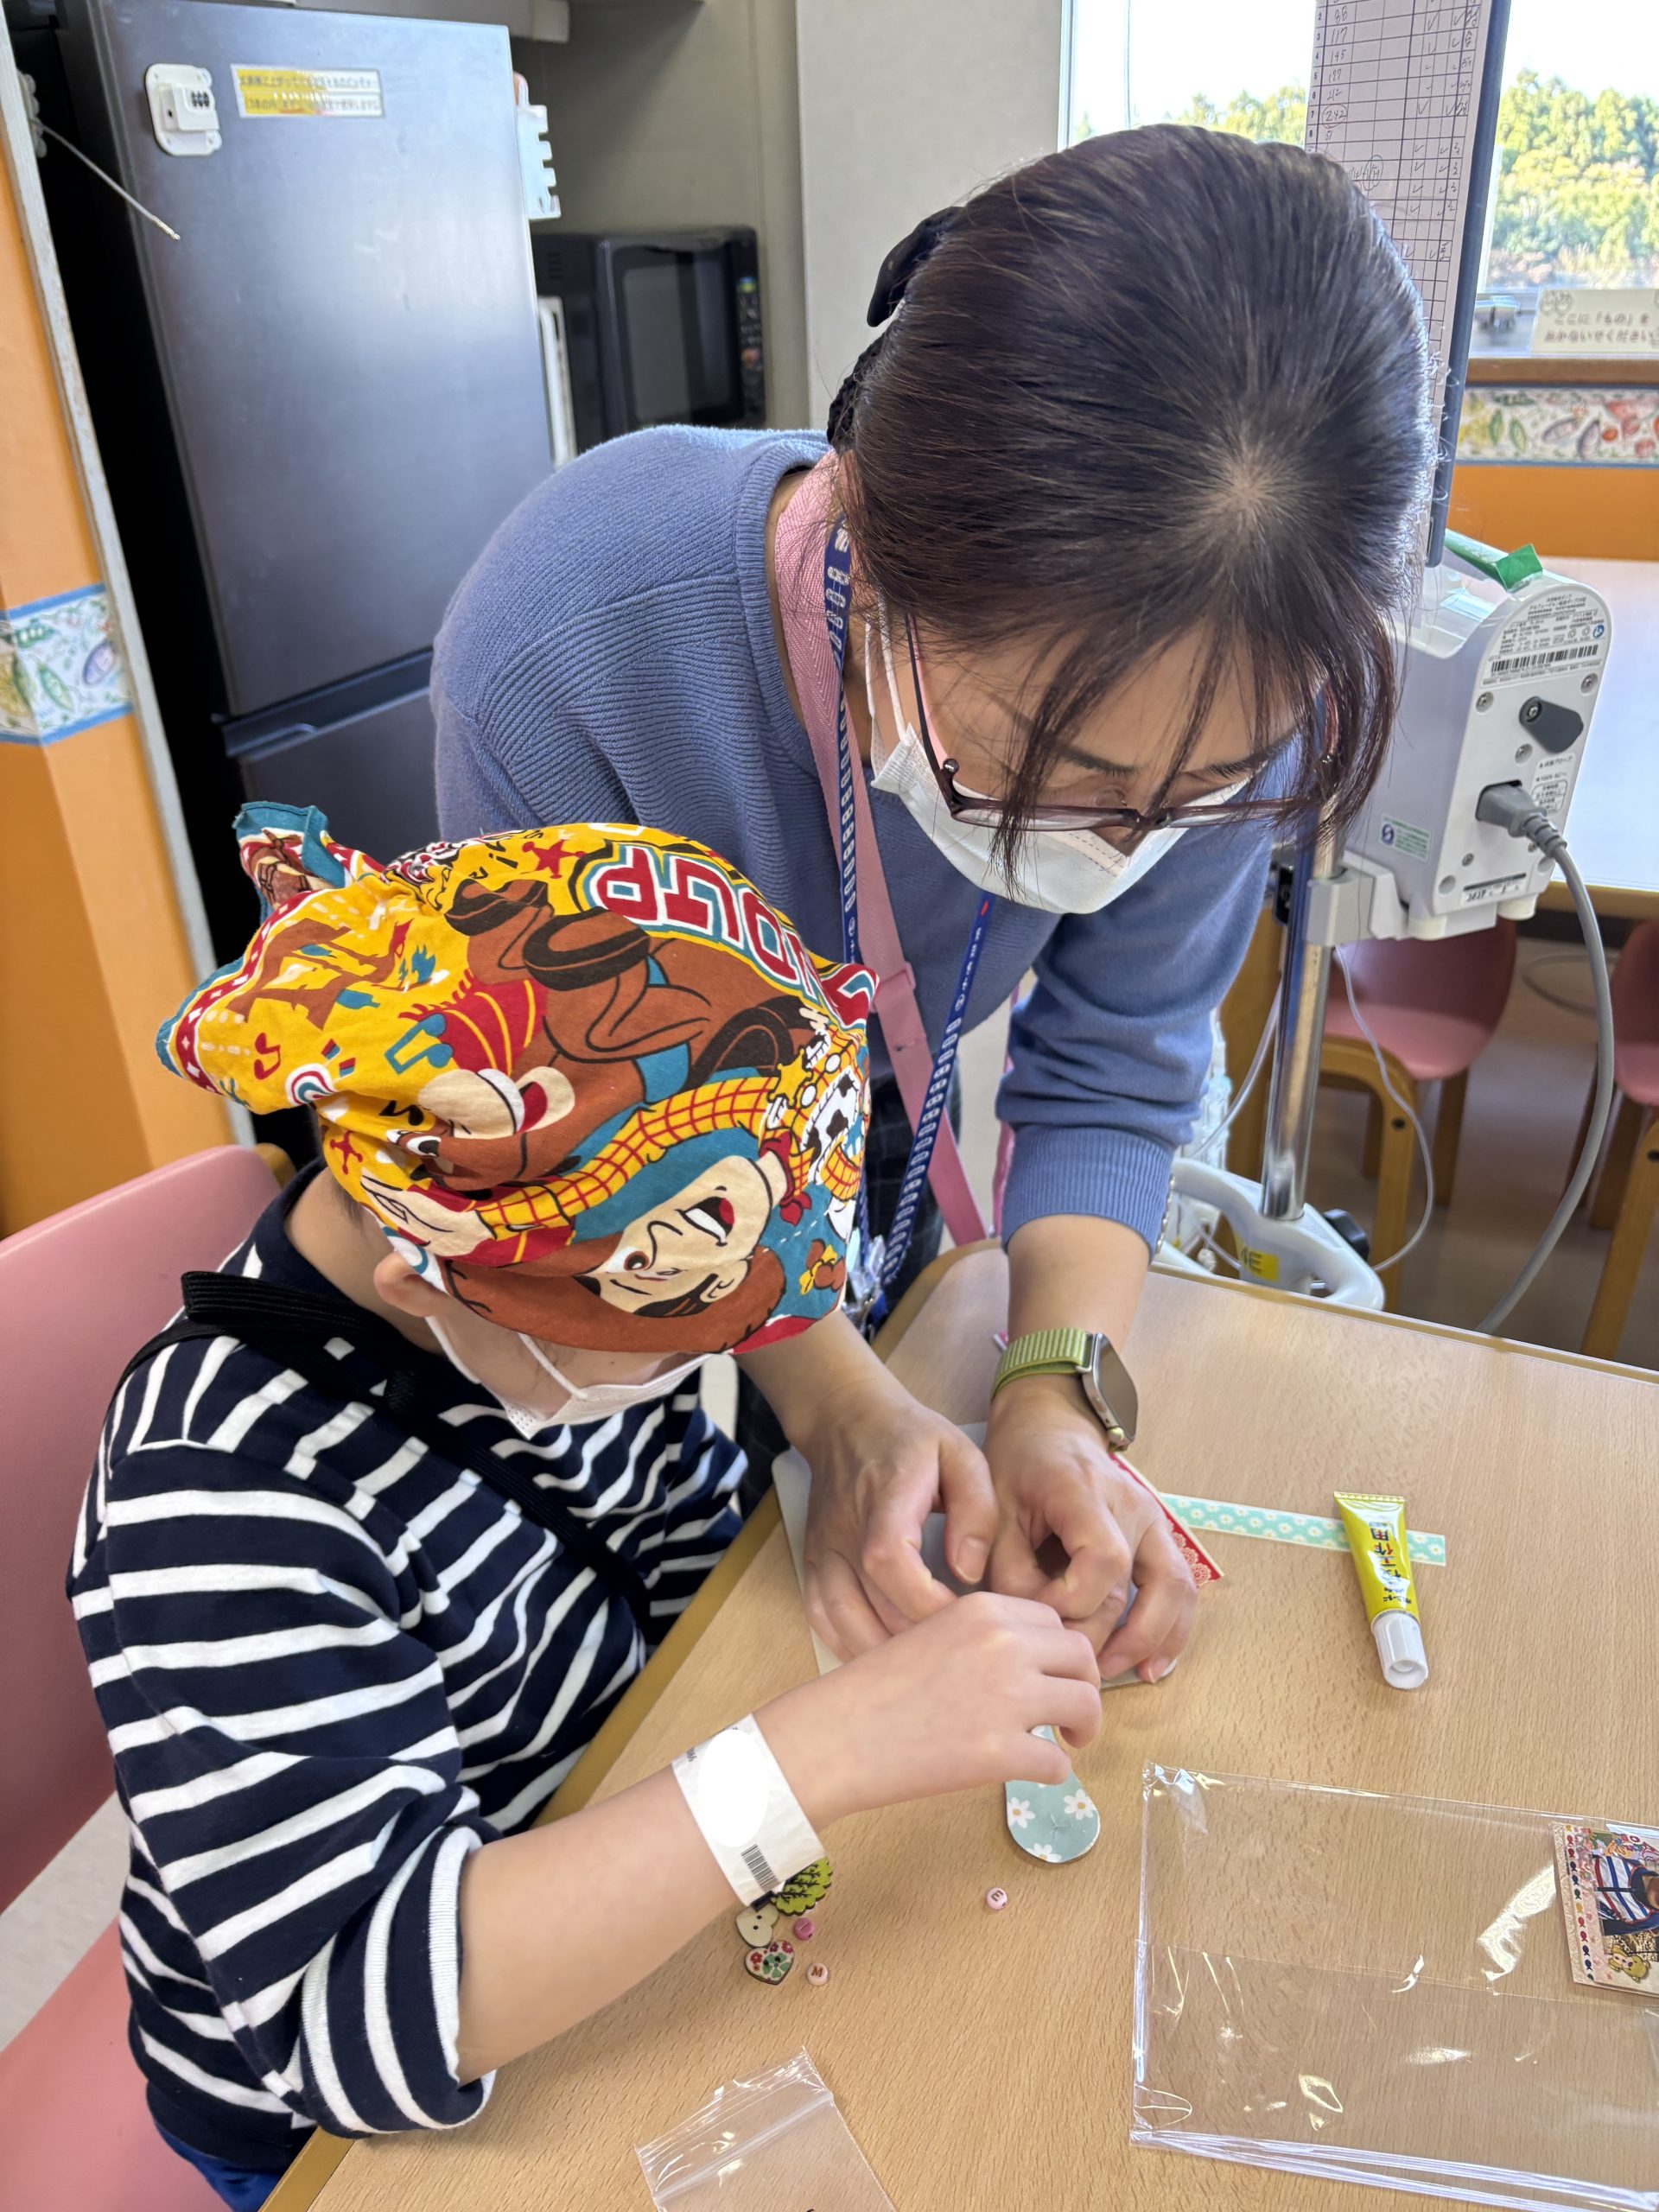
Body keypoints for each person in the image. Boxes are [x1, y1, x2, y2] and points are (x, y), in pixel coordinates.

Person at [432, 124, 1434, 1676]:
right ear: (871, 530)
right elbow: (629, 1153)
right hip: (654, 1156)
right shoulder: (575, 649)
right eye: (1048, 771)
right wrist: (840, 1409)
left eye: (1193, 797)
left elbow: (1117, 1062)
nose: (1118, 842)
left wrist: (1052, 1389)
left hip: (866, 1111)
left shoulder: (1256, 680)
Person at [72, 805, 1103, 2207]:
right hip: (360, 2106)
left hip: (612, 1829)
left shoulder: (566, 1314)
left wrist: (875, 1524)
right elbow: (351, 2018)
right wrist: (815, 1755)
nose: (708, 1369)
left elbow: (661, 1565)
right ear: (430, 1285)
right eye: (677, 1344)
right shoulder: (221, 1486)